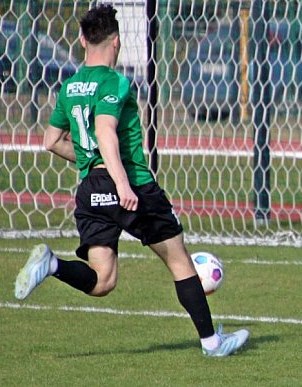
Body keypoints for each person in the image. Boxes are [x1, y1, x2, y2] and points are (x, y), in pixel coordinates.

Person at [13, 5, 249, 357]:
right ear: (117, 41)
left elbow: (51, 140)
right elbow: (106, 131)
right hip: (131, 185)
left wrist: (94, 164)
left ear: (81, 40)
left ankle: (52, 265)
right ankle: (212, 343)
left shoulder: (71, 86)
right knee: (179, 259)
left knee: (103, 280)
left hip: (90, 188)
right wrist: (121, 183)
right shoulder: (115, 82)